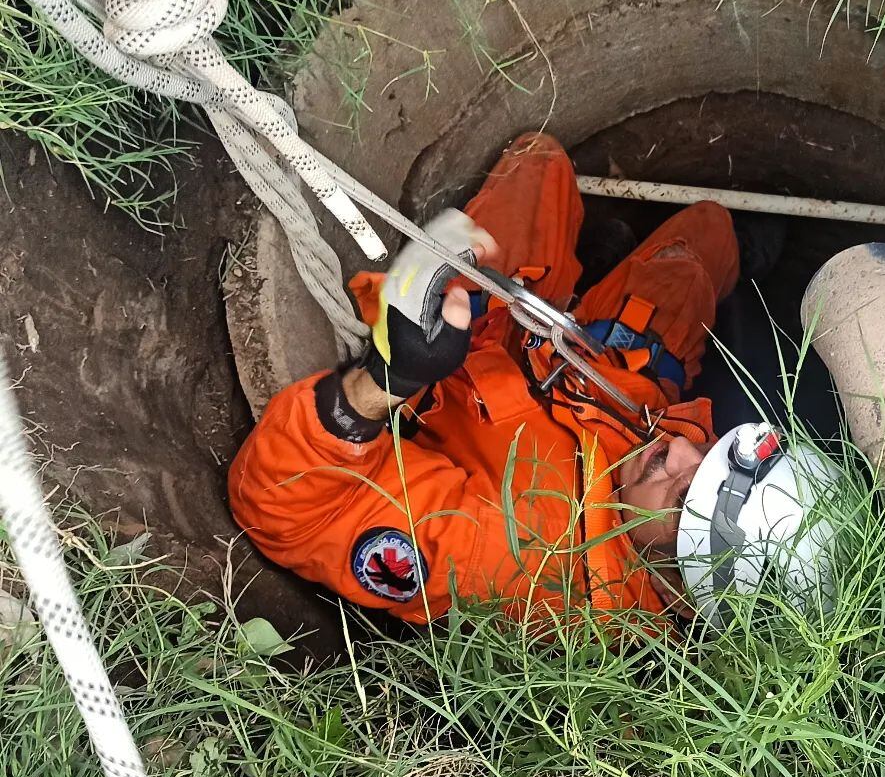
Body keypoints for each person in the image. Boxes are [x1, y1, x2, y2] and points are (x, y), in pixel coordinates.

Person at [229, 132, 836, 636]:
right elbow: (676, 457)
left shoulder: (508, 555)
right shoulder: (663, 464)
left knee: (537, 168)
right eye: (712, 454)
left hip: (472, 371)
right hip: (609, 386)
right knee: (700, 235)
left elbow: (285, 509)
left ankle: (599, 262)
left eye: (686, 500)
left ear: (679, 580)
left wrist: (388, 378)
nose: (678, 452)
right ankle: (719, 253)